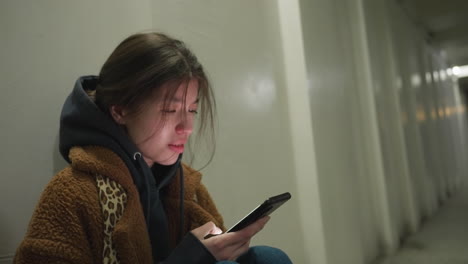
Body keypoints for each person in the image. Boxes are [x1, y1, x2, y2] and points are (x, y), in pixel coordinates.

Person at [14, 32, 292, 264]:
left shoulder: (187, 187)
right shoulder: (72, 193)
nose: (187, 128)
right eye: (170, 110)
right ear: (121, 111)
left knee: (269, 258)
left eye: (192, 110)